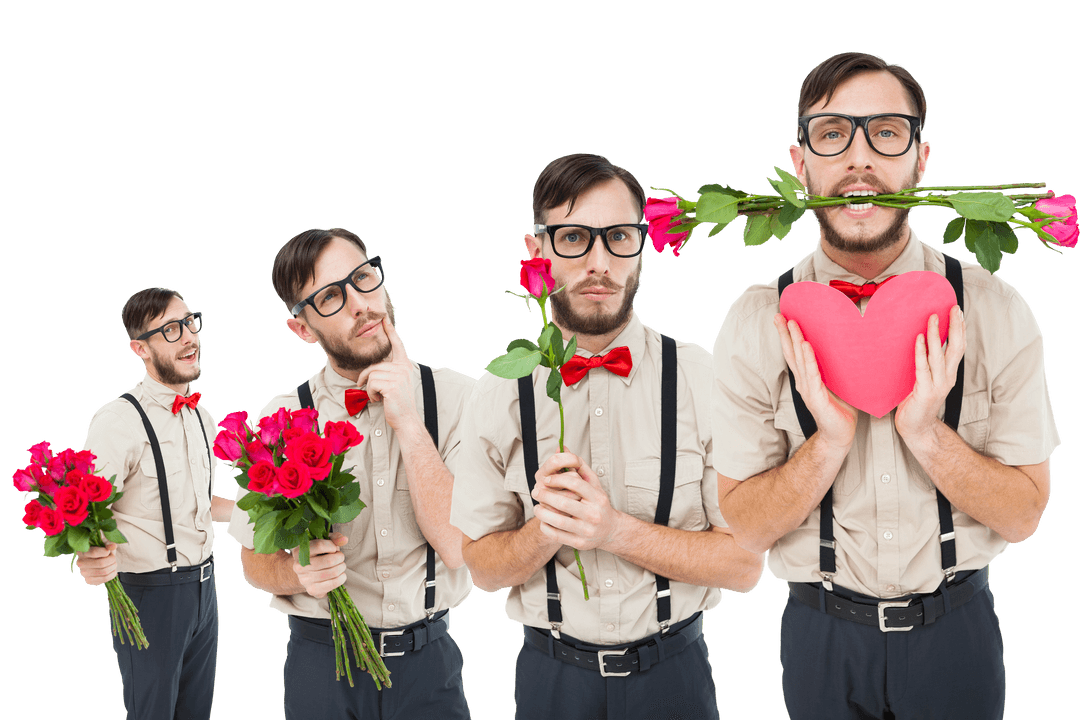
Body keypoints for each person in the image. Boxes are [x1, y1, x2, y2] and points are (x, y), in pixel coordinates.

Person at [711, 51, 1059, 720]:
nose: (860, 158)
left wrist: (926, 434)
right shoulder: (756, 320)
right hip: (820, 636)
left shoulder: (994, 308)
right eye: (833, 133)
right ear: (800, 163)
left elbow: (1023, 514)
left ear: (921, 160)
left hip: (958, 631)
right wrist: (827, 442)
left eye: (887, 133)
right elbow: (747, 526)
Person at [452, 153, 764, 720]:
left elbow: (744, 565)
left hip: (676, 678)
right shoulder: (497, 393)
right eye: (574, 237)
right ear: (536, 250)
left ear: (642, 245)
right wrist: (545, 531)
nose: (600, 263)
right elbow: (482, 569)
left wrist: (614, 531)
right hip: (552, 682)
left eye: (619, 236)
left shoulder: (704, 378)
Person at [228, 227, 474, 719]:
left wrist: (408, 421)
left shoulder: (458, 399)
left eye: (363, 278)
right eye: (331, 297)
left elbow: (456, 546)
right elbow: (254, 564)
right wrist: (296, 573)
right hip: (322, 664)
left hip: (429, 663)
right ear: (302, 329)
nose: (360, 303)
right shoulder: (281, 418)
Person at [75, 286, 235, 719]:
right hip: (150, 595)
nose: (188, 337)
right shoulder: (118, 420)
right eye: (170, 329)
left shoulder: (202, 417)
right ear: (139, 348)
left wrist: (264, 509)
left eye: (190, 323)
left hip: (205, 588)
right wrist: (90, 556)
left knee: (196, 713)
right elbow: (84, 513)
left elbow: (198, 504)